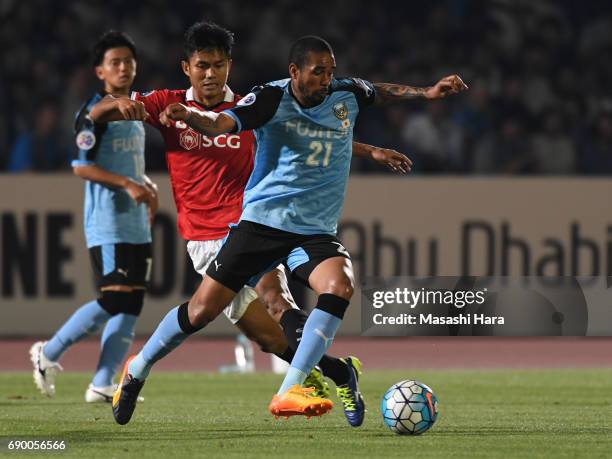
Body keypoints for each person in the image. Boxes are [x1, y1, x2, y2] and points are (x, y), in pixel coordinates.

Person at [112, 34, 464, 426]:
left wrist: (426, 94)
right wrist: (189, 116)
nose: (326, 80)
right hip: (252, 226)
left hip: (310, 230)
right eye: (318, 72)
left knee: (332, 287)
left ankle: (290, 389)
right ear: (294, 72)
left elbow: (375, 94)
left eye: (330, 71)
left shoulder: (342, 93)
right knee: (206, 313)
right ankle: (138, 368)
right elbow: (220, 124)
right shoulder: (266, 99)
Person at [29, 31, 158, 403]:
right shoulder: (93, 113)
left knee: (131, 302)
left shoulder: (133, 108)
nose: (122, 68)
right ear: (100, 71)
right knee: (113, 300)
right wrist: (127, 185)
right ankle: (48, 352)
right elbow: (81, 167)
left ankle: (102, 383)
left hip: (135, 220)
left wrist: (146, 185)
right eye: (114, 62)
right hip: (108, 220)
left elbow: (129, 162)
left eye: (128, 62)